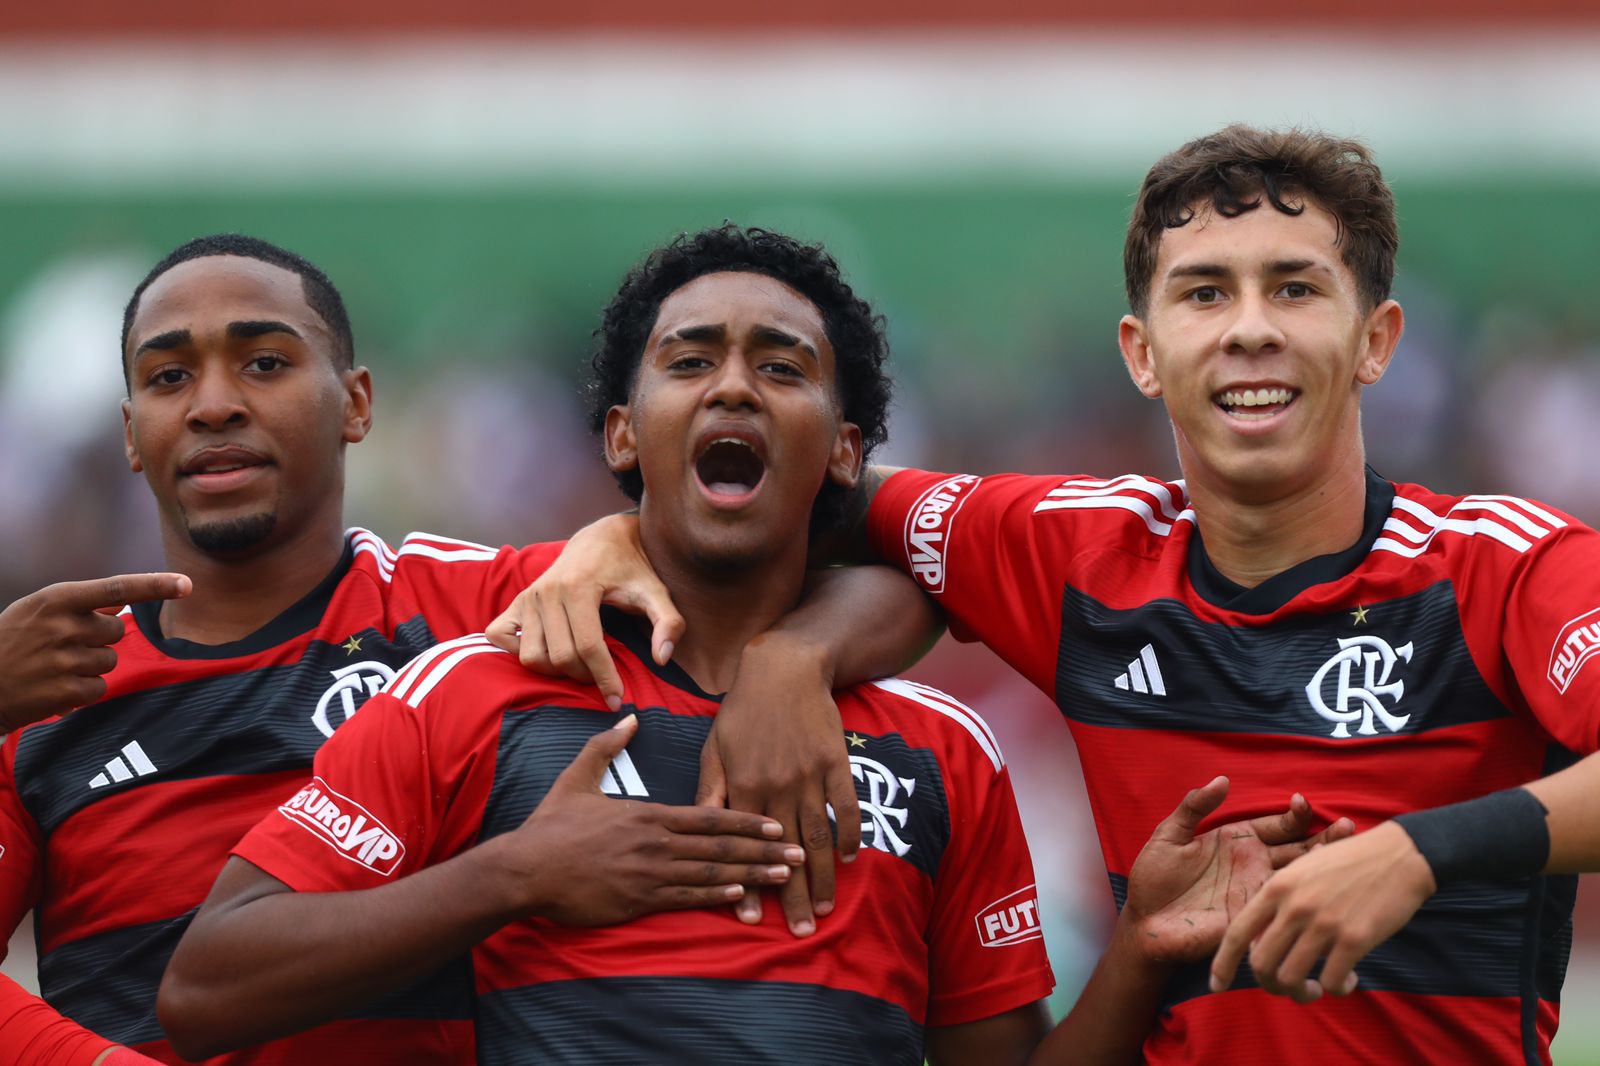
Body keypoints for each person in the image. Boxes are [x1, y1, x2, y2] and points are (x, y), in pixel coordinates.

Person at [525, 127, 1600, 1064]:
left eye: (1295, 287)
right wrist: (623, 549)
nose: (1249, 329)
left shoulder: (1504, 564)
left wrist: (1419, 851)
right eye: (1203, 292)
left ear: (1376, 341)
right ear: (1143, 353)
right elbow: (787, 491)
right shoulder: (1078, 548)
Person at [159, 225, 1346, 1065]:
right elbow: (205, 988)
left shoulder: (945, 752)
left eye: (780, 367)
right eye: (689, 362)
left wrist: (1137, 953)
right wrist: (512, 875)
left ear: (843, 451)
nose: (732, 387)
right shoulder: (475, 691)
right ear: (626, 435)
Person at [0, 233, 927, 1064]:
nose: (213, 405)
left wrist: (794, 655)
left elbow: (894, 552)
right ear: (130, 433)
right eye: (168, 379)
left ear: (356, 404)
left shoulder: (477, 609)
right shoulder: (40, 684)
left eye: (265, 363)